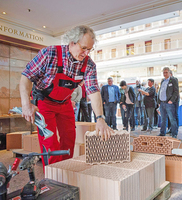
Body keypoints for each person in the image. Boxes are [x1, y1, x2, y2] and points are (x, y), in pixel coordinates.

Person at [19, 25, 112, 167]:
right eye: (84, 48)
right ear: (72, 42)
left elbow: (93, 90)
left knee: (69, 140)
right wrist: (26, 104)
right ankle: (53, 179)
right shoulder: (49, 54)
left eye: (89, 49)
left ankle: (65, 171)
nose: (86, 53)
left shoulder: (89, 65)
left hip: (65, 103)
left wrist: (100, 118)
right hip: (44, 102)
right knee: (50, 143)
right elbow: (26, 76)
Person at [157, 67, 179, 138]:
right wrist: (159, 101)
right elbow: (160, 91)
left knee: (172, 119)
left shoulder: (173, 80)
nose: (165, 74)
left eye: (166, 72)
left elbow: (176, 91)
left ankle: (174, 133)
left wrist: (171, 100)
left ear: (170, 73)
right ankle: (162, 132)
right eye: (164, 72)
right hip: (162, 103)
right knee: (163, 119)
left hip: (169, 103)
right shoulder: (163, 81)